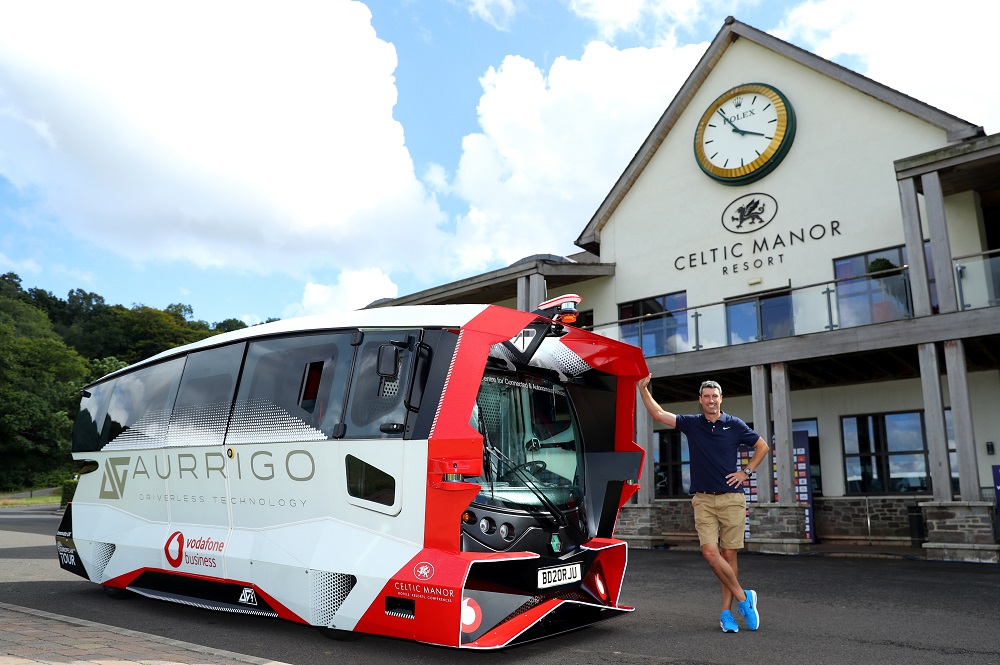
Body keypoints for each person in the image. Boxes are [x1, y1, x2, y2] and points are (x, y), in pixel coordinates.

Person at [637, 374, 769, 633]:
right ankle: (745, 598)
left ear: (721, 399)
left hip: (731, 499)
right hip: (703, 500)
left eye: (715, 396)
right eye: (706, 396)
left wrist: (746, 472)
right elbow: (659, 414)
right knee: (711, 554)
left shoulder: (735, 425)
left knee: (729, 556)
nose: (711, 400)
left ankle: (726, 614)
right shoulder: (693, 424)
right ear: (700, 400)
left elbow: (762, 446)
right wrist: (642, 389)